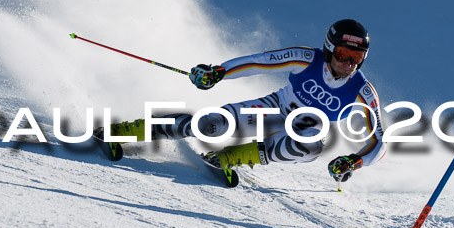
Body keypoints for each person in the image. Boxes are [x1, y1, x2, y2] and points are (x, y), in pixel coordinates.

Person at [98, 19, 386, 183]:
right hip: (275, 109)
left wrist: (353, 161)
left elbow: (379, 142)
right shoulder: (306, 58)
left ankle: (229, 157)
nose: (348, 63)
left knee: (308, 142)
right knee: (211, 125)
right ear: (328, 49)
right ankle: (123, 132)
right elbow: (258, 62)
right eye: (343, 54)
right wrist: (218, 72)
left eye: (356, 58)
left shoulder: (362, 92)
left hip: (304, 134)